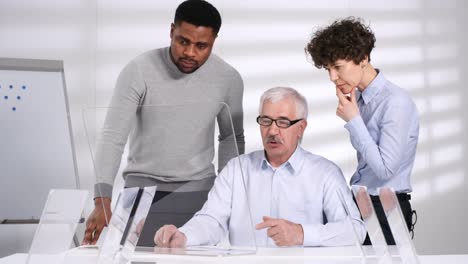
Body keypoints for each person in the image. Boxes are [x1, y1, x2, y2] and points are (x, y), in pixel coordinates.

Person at [82, 0, 245, 246]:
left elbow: (231, 138)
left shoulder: (228, 79)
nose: (190, 52)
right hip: (141, 193)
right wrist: (102, 200)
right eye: (183, 41)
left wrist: (227, 195)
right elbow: (113, 136)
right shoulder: (138, 70)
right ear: (171, 31)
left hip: (199, 193)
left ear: (214, 41)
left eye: (202, 46)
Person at [154, 87, 365, 248]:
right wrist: (184, 236)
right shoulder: (237, 169)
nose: (272, 131)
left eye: (283, 122)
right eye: (266, 120)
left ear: (301, 128)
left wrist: (301, 234)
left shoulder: (325, 173)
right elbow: (212, 220)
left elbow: (355, 230)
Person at [305, 17, 419, 245]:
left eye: (338, 67)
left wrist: (353, 120)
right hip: (361, 203)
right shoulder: (357, 98)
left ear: (363, 58)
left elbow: (386, 169)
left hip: (388, 210)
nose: (332, 78)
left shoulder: (395, 102)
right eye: (328, 69)